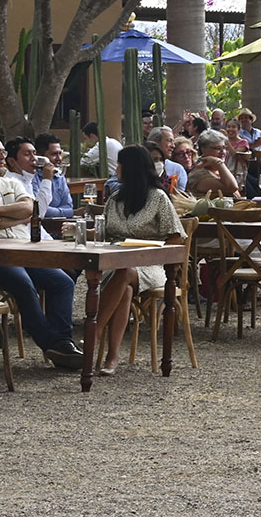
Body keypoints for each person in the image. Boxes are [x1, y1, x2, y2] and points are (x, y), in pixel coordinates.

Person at [0, 133, 83, 369]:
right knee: (22, 282)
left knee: (63, 281)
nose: (3, 156)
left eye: (4, 151)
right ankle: (52, 343)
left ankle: (62, 341)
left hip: (24, 252)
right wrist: (13, 218)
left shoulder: (11, 182)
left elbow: (29, 208)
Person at [99, 145, 185, 375]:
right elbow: (104, 233)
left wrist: (154, 254)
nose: (116, 168)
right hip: (117, 263)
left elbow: (176, 236)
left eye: (119, 164)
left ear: (130, 168)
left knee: (126, 272)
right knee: (125, 285)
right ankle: (112, 357)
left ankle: (94, 333)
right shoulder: (115, 198)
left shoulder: (158, 198)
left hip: (152, 265)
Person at [5, 136, 57, 220]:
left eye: (34, 153)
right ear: (11, 161)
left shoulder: (26, 179)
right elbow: (38, 213)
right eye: (27, 154)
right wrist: (47, 180)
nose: (34, 158)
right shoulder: (10, 182)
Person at [185, 129, 241, 198]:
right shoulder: (199, 174)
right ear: (204, 150)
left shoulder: (217, 170)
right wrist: (219, 163)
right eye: (218, 148)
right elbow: (232, 187)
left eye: (224, 148)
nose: (223, 152)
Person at [34, 133, 75, 217]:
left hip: (60, 225)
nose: (59, 159)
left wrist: (54, 212)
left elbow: (69, 207)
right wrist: (63, 213)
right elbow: (37, 209)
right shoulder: (32, 177)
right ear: (40, 156)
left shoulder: (59, 176)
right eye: (54, 154)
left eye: (60, 154)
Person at [148, 126, 188, 191]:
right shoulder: (139, 165)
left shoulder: (177, 169)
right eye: (169, 141)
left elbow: (181, 197)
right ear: (154, 141)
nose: (173, 146)